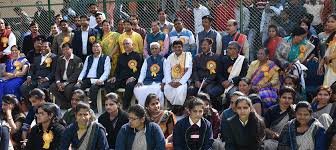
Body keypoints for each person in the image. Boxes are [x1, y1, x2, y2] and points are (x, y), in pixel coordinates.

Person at [105, 38, 142, 109]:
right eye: (124, 44)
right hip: (120, 79)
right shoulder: (121, 56)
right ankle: (114, 104)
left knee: (130, 86)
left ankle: (125, 107)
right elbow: (117, 69)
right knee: (108, 84)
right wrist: (114, 76)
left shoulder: (138, 56)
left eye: (127, 43)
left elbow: (140, 70)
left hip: (131, 79)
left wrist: (134, 77)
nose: (125, 45)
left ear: (132, 45)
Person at [76, 42, 111, 110]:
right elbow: (84, 69)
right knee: (77, 87)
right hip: (88, 79)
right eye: (94, 46)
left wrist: (100, 80)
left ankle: (93, 107)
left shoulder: (105, 58)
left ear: (101, 48)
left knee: (94, 88)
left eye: (97, 46)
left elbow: (107, 71)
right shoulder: (89, 57)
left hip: (99, 79)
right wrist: (79, 79)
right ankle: (80, 105)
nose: (95, 48)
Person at [50, 43, 83, 108]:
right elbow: (57, 72)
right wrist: (58, 82)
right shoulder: (60, 59)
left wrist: (65, 83)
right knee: (52, 87)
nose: (65, 51)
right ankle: (65, 104)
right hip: (61, 80)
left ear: (72, 50)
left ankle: (68, 104)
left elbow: (76, 74)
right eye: (63, 50)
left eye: (67, 49)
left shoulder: (77, 60)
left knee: (68, 89)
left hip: (71, 81)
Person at [134, 42, 166, 107]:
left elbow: (166, 73)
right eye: (152, 49)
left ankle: (157, 107)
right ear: (150, 50)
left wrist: (164, 82)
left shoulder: (163, 60)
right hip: (147, 81)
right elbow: (143, 72)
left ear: (159, 49)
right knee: (137, 88)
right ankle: (144, 107)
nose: (154, 50)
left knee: (158, 90)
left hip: (158, 82)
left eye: (156, 48)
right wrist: (139, 81)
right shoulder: (147, 60)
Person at [164, 40, 192, 106]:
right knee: (167, 88)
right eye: (175, 47)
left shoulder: (187, 56)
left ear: (182, 47)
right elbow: (167, 70)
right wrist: (170, 82)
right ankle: (173, 107)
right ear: (173, 48)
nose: (177, 49)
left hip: (183, 81)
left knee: (179, 91)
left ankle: (178, 108)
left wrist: (180, 82)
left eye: (179, 47)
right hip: (172, 80)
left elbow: (189, 71)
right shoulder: (170, 57)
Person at [319, 14, 336, 87]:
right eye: (328, 21)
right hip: (330, 66)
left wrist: (329, 57)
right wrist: (321, 62)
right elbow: (328, 51)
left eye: (332, 21)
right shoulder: (333, 35)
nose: (329, 23)